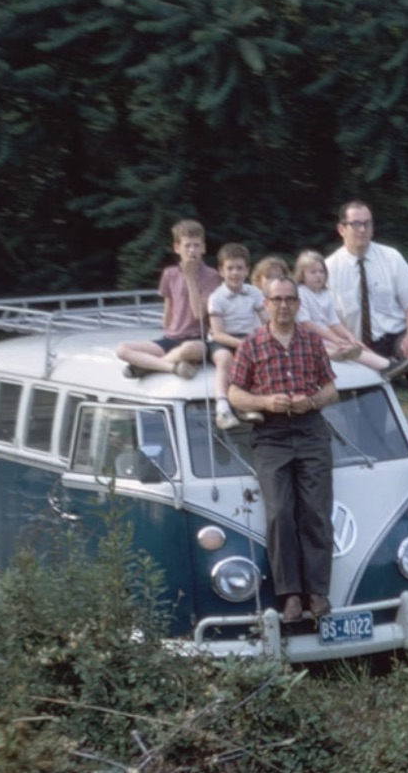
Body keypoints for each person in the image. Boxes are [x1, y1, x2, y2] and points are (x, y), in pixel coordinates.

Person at [227, 271, 338, 624]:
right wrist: (264, 401)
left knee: (316, 512)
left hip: (310, 429)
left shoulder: (312, 341)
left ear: (298, 303)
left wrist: (313, 401)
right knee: (279, 513)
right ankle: (290, 594)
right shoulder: (251, 344)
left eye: (290, 299)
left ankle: (317, 592)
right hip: (270, 433)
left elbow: (331, 388)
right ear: (266, 304)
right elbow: (234, 393)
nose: (284, 305)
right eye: (277, 299)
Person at [325, 200, 408, 389]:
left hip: (396, 336)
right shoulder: (329, 269)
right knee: (367, 396)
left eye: (367, 223)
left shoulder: (391, 258)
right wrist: (345, 345)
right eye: (356, 224)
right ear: (341, 229)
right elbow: (325, 319)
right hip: (357, 345)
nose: (363, 229)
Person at [118, 218, 216, 379]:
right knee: (122, 349)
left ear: (203, 248)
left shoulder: (212, 276)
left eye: (196, 245)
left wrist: (190, 278)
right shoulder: (169, 273)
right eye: (187, 246)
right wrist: (166, 333)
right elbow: (168, 309)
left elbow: (199, 314)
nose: (192, 250)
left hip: (196, 339)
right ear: (177, 248)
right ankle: (171, 367)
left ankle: (147, 367)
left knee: (191, 349)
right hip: (171, 338)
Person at [294, 248, 407, 378]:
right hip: (309, 338)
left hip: (326, 334)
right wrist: (334, 338)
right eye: (313, 272)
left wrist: (349, 336)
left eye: (321, 271)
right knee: (347, 348)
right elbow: (306, 323)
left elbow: (333, 322)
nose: (318, 275)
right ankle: (385, 366)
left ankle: (386, 366)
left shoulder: (326, 294)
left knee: (356, 344)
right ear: (302, 274)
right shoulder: (301, 293)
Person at [206, 243, 265, 430]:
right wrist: (242, 344)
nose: (235, 273)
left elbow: (267, 321)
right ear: (221, 271)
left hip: (248, 337)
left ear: (247, 270)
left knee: (260, 360)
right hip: (223, 340)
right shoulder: (216, 297)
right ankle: (222, 407)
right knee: (225, 359)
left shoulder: (254, 293)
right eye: (230, 268)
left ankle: (245, 405)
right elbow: (217, 333)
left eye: (239, 268)